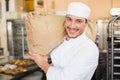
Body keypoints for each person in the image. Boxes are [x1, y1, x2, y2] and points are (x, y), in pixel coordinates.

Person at [28, 2, 99, 80]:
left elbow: (66, 78)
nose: (72, 26)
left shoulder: (89, 49)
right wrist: (38, 19)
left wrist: (43, 64)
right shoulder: (61, 39)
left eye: (78, 21)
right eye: (69, 19)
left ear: (86, 23)